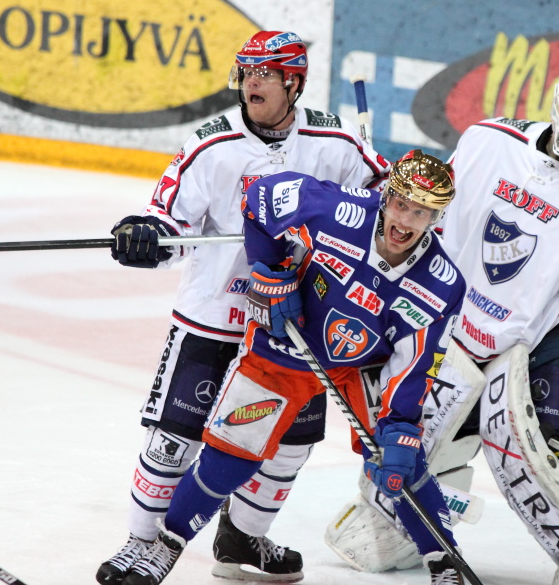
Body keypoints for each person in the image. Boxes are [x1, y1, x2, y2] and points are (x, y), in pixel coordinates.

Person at [327, 62, 559, 584]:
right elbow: (432, 206)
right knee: (414, 439)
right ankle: (408, 527)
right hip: (453, 324)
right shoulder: (489, 138)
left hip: (540, 341)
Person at [97, 30, 390, 585]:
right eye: (245, 71)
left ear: (293, 82)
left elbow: (385, 210)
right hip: (215, 319)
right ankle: (140, 544)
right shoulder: (212, 145)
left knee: (290, 444)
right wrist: (147, 235)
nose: (250, 82)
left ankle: (242, 537)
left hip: (296, 327)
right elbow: (170, 221)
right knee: (174, 438)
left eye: (264, 73)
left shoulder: (336, 142)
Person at [119, 150, 470, 585]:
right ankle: (165, 545)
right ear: (387, 196)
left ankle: (444, 561)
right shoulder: (334, 209)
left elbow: (414, 362)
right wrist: (270, 271)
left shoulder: (442, 283)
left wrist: (399, 424)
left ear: (437, 216)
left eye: (422, 212)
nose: (406, 220)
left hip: (358, 367)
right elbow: (258, 197)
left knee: (402, 459)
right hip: (286, 345)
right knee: (232, 453)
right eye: (401, 203)